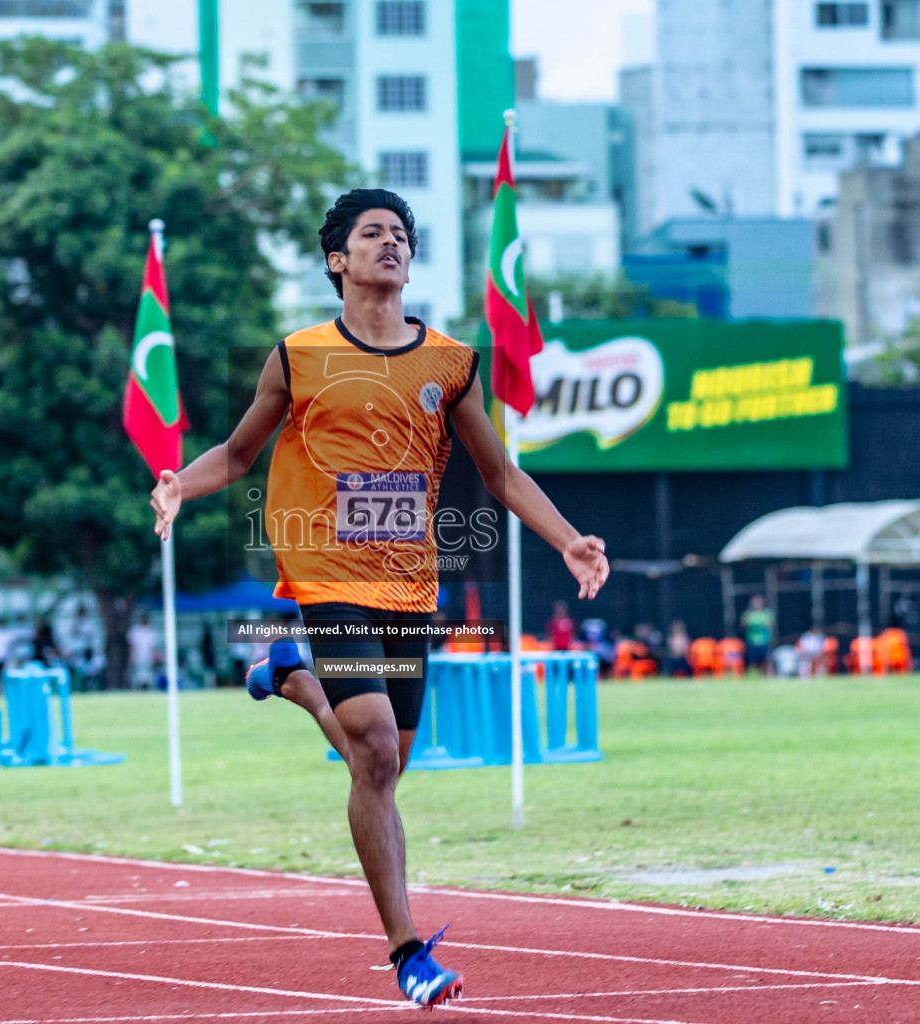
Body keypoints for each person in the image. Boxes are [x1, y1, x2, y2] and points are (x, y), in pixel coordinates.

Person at [148, 189, 610, 1007]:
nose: (390, 243)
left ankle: (291, 678)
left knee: (385, 758)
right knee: (371, 742)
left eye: (401, 234)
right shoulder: (298, 355)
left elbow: (500, 475)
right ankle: (407, 952)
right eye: (373, 234)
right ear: (338, 259)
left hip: (409, 582)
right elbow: (241, 451)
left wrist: (567, 537)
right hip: (327, 572)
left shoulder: (451, 363)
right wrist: (181, 484)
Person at [740, 595, 775, 675]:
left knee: (766, 661)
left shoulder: (767, 613)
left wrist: (764, 624)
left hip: (764, 641)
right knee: (752, 661)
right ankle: (753, 676)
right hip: (752, 641)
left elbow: (771, 624)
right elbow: (742, 625)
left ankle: (768, 677)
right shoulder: (748, 614)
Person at [126, 615, 158, 690]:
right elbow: (131, 645)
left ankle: (149, 688)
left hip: (147, 656)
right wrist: (131, 656)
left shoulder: (151, 631)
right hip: (137, 656)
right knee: (136, 673)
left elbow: (152, 647)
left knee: (148, 673)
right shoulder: (135, 630)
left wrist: (153, 656)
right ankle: (135, 688)